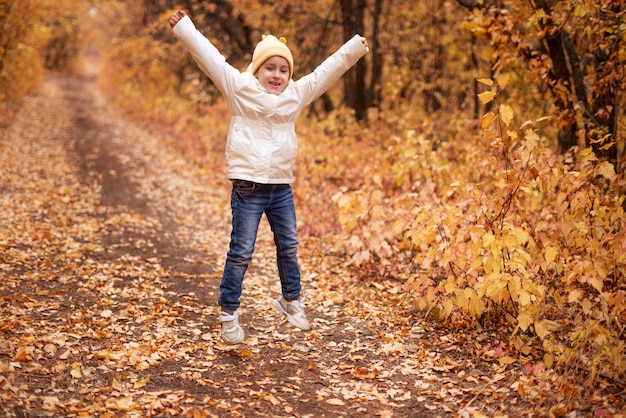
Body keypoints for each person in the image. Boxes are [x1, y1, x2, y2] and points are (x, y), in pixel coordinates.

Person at [169, 9, 368, 344]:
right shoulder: (238, 88)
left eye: (283, 69)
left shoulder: (295, 95)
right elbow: (210, 58)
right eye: (269, 68)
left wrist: (354, 48)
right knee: (242, 251)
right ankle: (228, 313)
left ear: (289, 74)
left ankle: (291, 301)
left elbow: (325, 73)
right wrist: (185, 28)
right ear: (256, 69)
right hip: (247, 188)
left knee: (289, 245)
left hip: (281, 188)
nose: (276, 75)